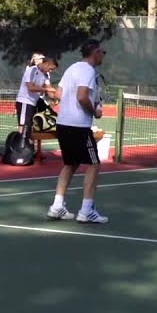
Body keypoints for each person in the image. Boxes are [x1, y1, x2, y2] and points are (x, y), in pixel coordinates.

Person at [47, 39, 108, 224]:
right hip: (78, 126)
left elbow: (57, 94)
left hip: (63, 124)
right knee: (94, 164)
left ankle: (57, 206)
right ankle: (86, 210)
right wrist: (95, 111)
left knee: (70, 164)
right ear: (95, 53)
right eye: (101, 52)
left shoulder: (72, 68)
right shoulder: (88, 71)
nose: (103, 56)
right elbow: (82, 97)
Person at [15, 53, 58, 161]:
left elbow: (50, 90)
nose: (50, 71)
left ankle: (31, 151)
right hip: (25, 101)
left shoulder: (46, 75)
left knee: (33, 126)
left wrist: (56, 97)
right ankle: (20, 150)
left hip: (34, 102)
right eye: (50, 68)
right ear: (46, 63)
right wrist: (47, 90)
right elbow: (30, 87)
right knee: (24, 126)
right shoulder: (32, 70)